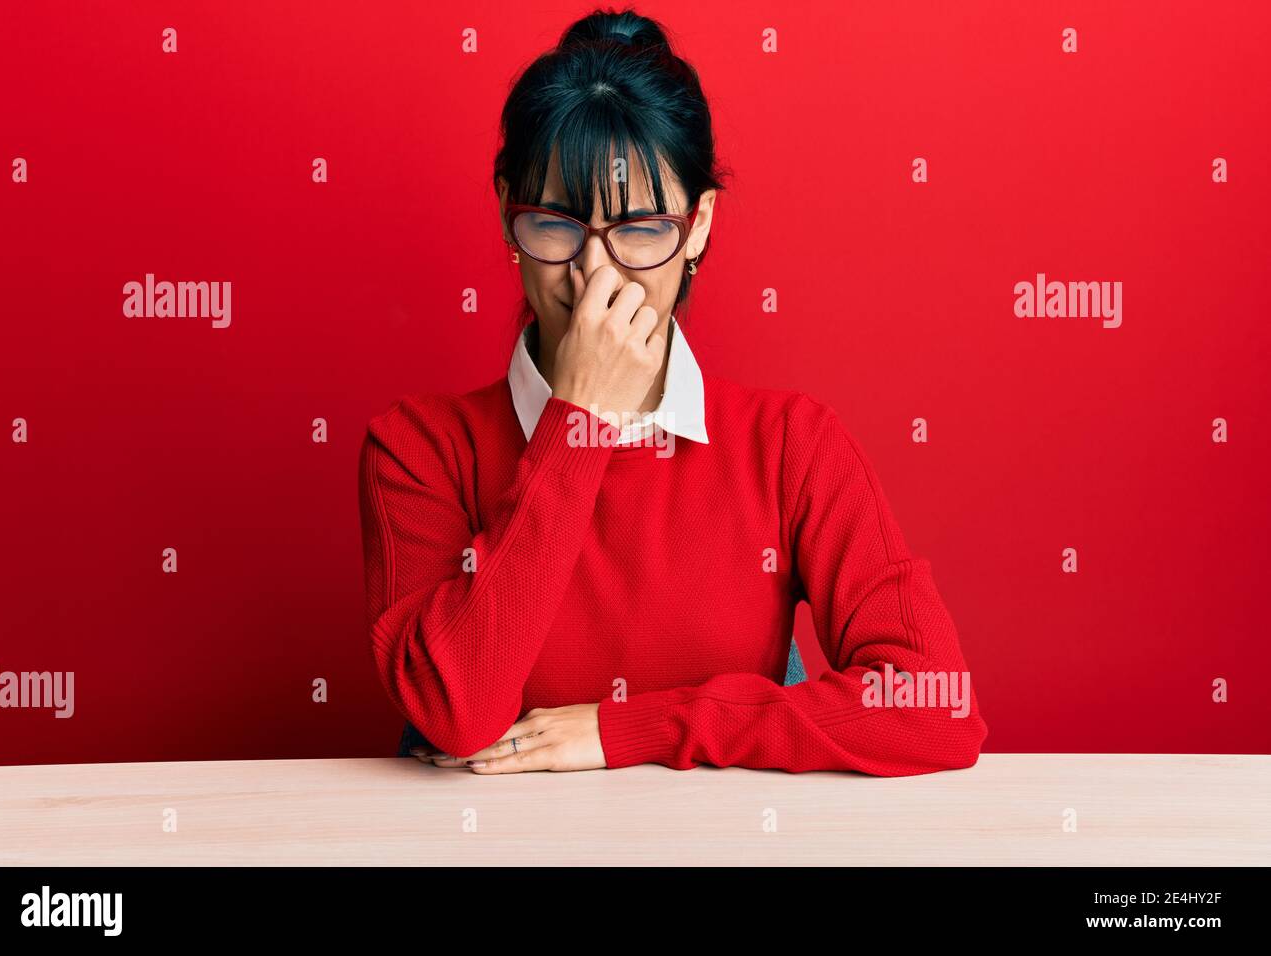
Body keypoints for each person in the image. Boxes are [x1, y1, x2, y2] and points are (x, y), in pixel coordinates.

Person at [357, 8, 987, 775]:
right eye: (555, 223)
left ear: (696, 227)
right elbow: (458, 710)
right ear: (505, 210)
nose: (595, 271)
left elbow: (935, 709)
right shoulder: (419, 450)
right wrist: (578, 422)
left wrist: (635, 729)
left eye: (640, 229)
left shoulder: (791, 444)